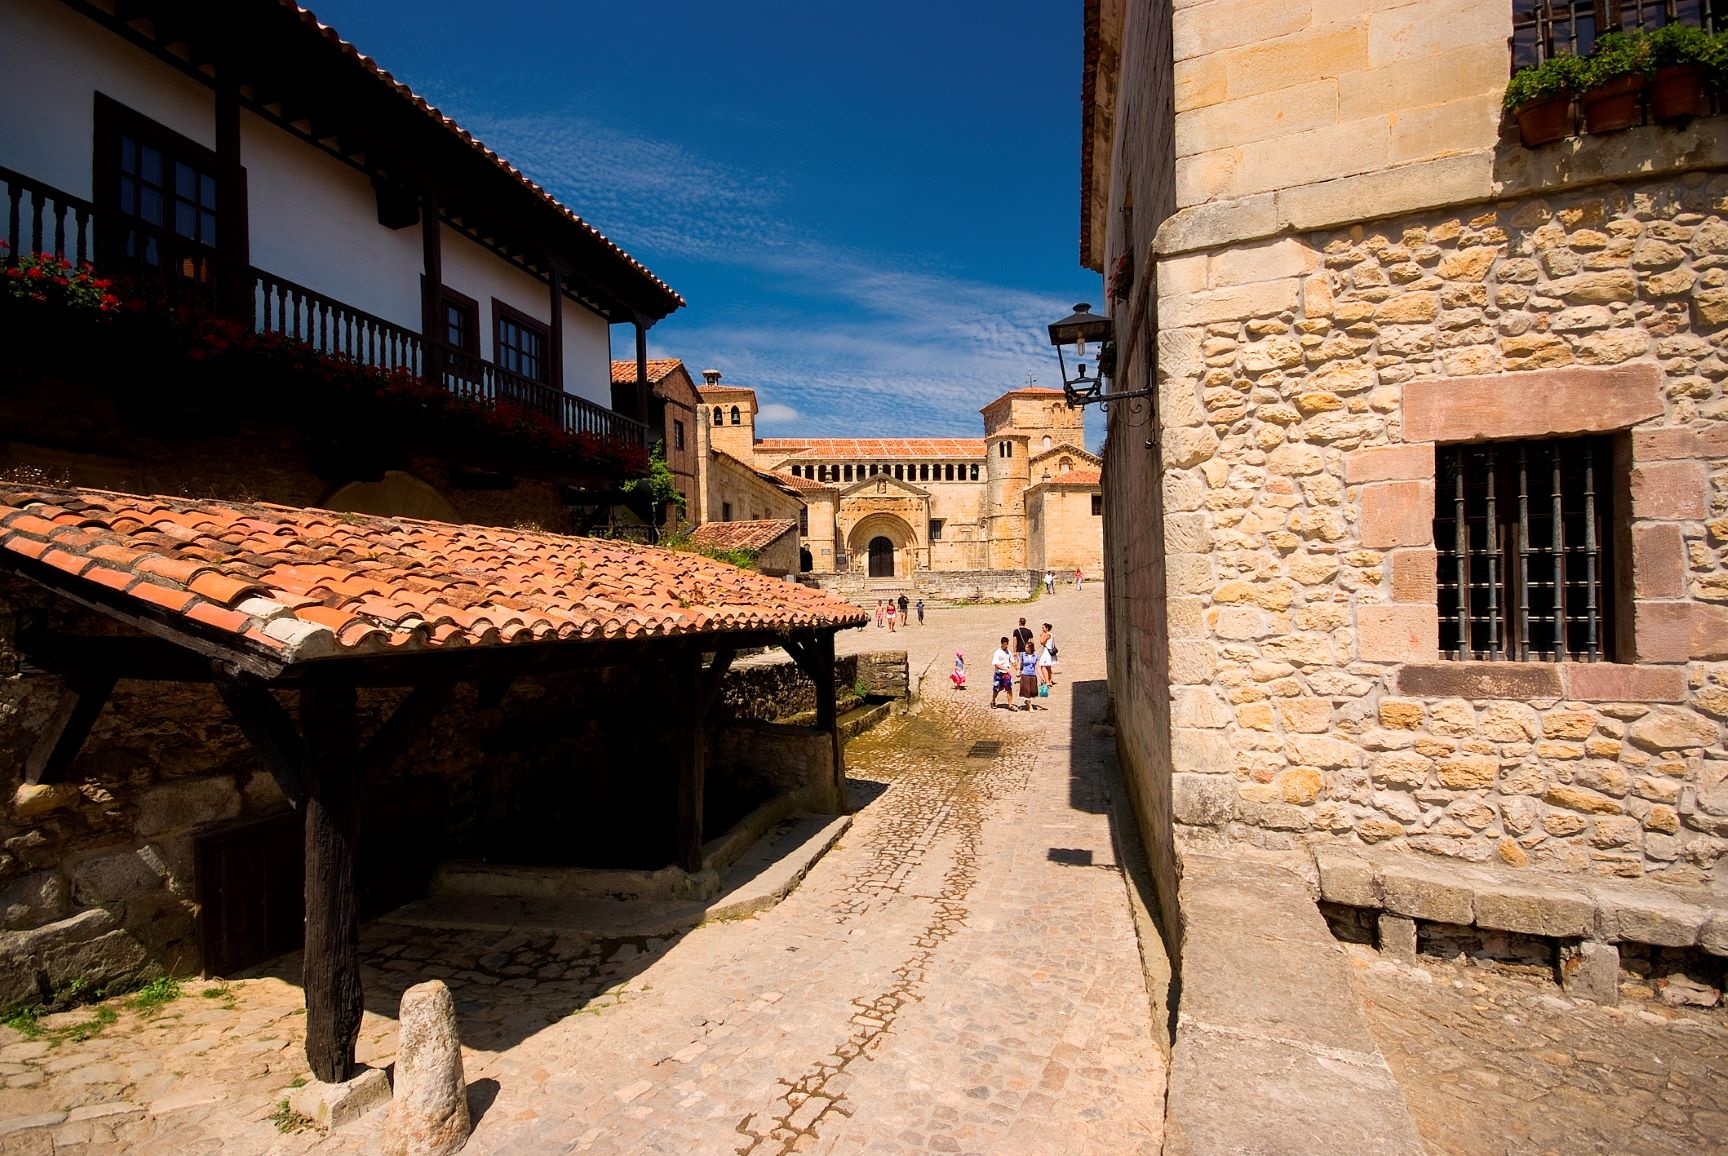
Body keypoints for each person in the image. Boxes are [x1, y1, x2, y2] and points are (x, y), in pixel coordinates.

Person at [990, 637, 1014, 708]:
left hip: (1006, 674)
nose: (1006, 646)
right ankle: (993, 701)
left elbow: (1012, 661)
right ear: (1002, 644)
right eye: (1005, 644)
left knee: (1009, 688)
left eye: (1007, 644)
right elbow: (996, 664)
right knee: (996, 689)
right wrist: (1005, 668)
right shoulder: (997, 652)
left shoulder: (1009, 652)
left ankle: (1010, 704)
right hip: (999, 673)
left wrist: (1017, 667)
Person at [1019, 645, 1040, 710]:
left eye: (1027, 647)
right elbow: (1021, 664)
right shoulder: (1023, 655)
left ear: (1031, 648)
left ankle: (1027, 701)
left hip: (1033, 674)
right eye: (1025, 647)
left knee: (1032, 691)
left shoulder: (1035, 655)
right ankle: (1030, 706)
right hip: (1025, 674)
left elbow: (1038, 666)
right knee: (1027, 691)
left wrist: (1042, 676)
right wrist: (1019, 671)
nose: (1026, 648)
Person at [1037, 622, 1056, 688]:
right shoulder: (1051, 634)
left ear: (1047, 628)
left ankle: (1047, 681)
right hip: (1049, 651)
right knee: (1048, 667)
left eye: (1043, 628)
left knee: (1043, 666)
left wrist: (1041, 635)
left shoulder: (1047, 634)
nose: (1042, 629)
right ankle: (1050, 680)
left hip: (1046, 652)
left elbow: (1042, 642)